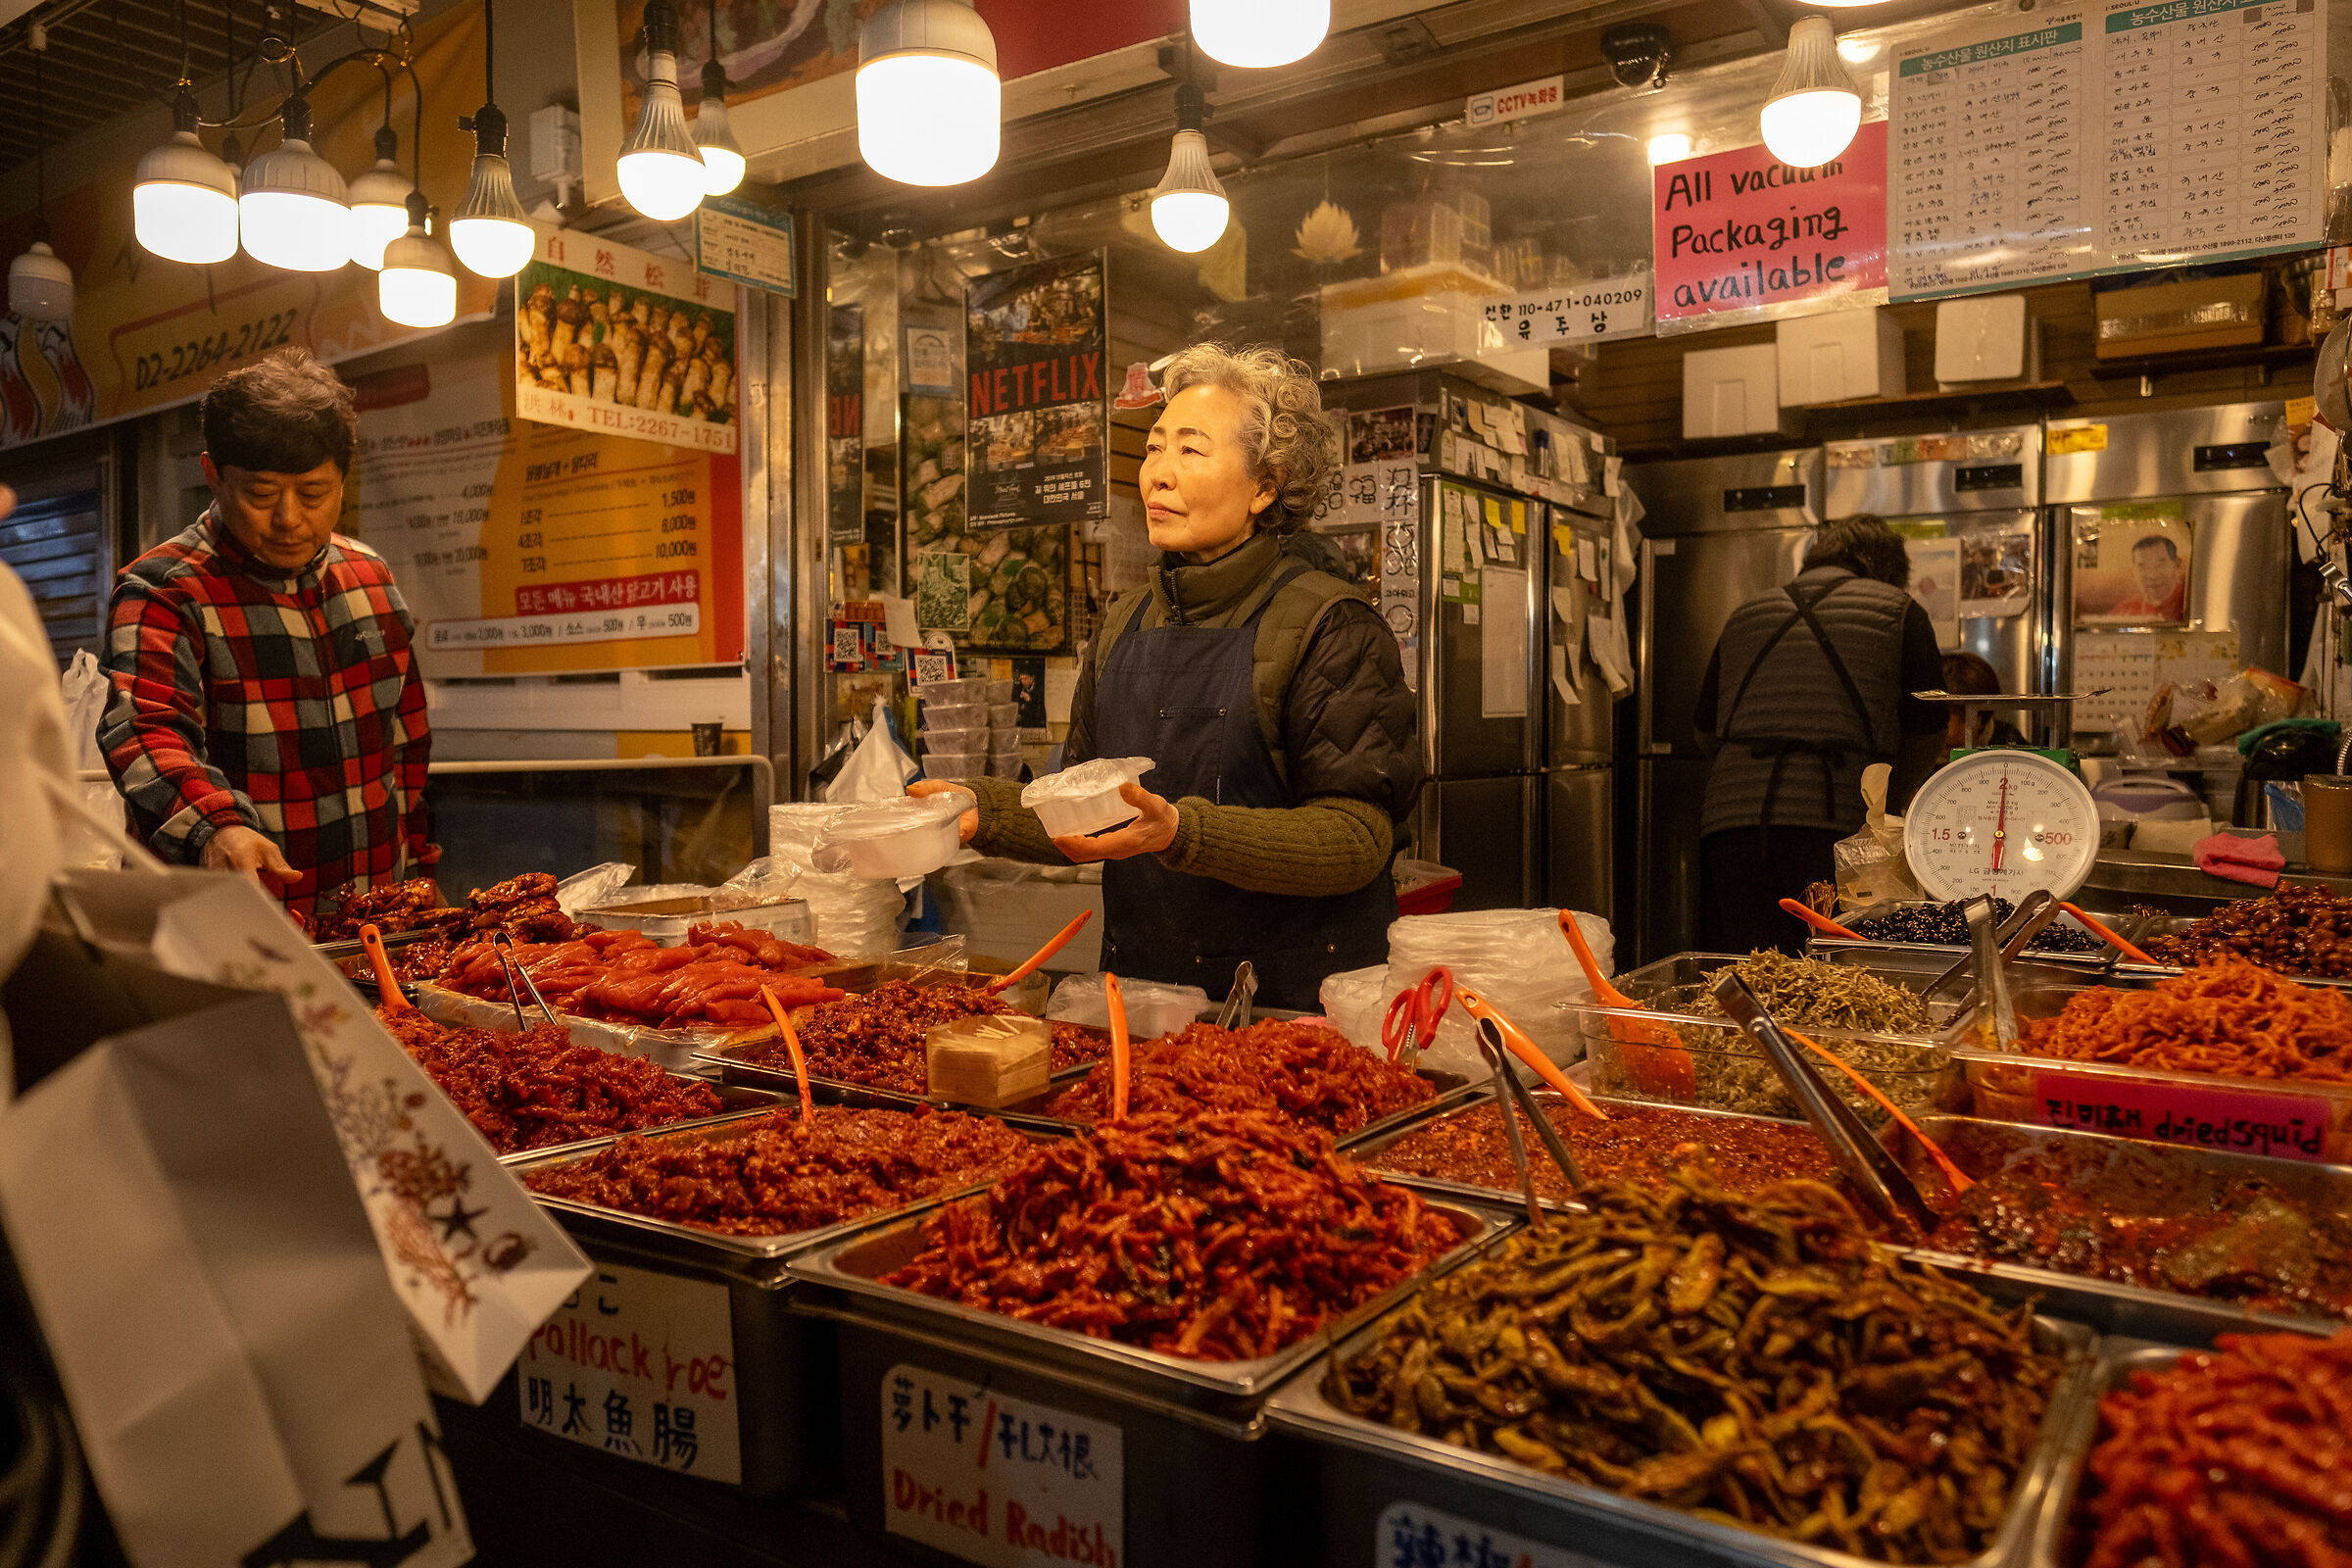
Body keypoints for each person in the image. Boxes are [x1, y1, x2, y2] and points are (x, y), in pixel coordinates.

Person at [911, 343, 1420, 1009]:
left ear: (1265, 485)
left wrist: (1183, 831)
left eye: (1191, 450)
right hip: (1145, 1001)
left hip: (1290, 1012)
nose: (1157, 475)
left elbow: (1357, 840)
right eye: (1155, 448)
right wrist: (979, 811)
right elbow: (1085, 810)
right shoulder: (1123, 624)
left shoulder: (1334, 627)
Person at [99, 348, 432, 921]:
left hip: (370, 916)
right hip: (228, 920)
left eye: (313, 493)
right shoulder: (164, 589)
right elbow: (146, 730)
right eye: (260, 494)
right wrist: (215, 826)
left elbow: (405, 740)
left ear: (343, 480)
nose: (288, 519)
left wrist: (421, 866)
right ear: (212, 474)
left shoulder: (370, 576)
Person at [1693, 514, 1943, 955]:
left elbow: (1705, 730)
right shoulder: (1899, 610)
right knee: (1830, 965)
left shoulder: (1748, 611)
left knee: (1746, 959)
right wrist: (1889, 806)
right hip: (1835, 819)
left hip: (1732, 822)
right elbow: (1927, 729)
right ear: (1887, 567)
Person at [1939, 650, 2026, 759]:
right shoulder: (1916, 751)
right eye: (1945, 719)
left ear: (1984, 719)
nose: (1952, 733)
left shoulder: (2009, 742)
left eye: (1964, 720)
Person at [2109, 534, 2187, 621]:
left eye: (2160, 565)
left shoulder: (2190, 603)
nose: (2152, 575)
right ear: (2133, 572)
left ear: (2177, 564)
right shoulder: (2123, 612)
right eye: (2142, 567)